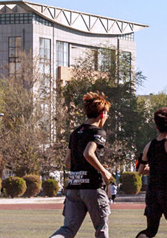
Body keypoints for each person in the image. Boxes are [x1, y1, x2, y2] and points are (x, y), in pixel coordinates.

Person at [50, 92, 115, 238]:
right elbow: (88, 153)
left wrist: (87, 166)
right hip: (92, 187)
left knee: (67, 230)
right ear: (102, 114)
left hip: (73, 188)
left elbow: (68, 162)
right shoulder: (98, 131)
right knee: (101, 229)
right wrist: (104, 171)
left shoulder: (75, 133)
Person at [135, 107, 167, 238]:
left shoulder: (149, 146)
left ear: (157, 127)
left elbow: (141, 170)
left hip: (152, 193)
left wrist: (154, 169)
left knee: (150, 231)